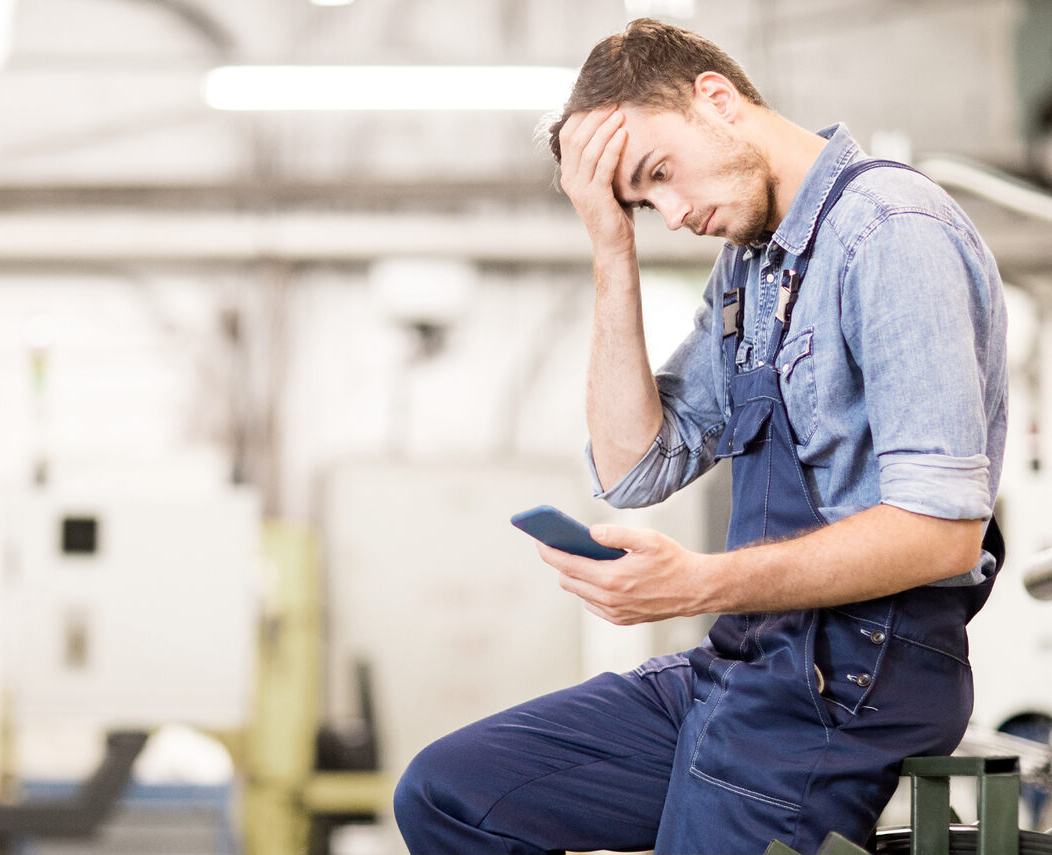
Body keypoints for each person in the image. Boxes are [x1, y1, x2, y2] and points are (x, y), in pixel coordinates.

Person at [392, 17, 1008, 855]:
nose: (673, 215)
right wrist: (611, 246)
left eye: (659, 176)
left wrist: (698, 584)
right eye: (644, 204)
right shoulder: (754, 267)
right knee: (450, 791)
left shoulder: (891, 231)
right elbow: (633, 464)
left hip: (851, 685)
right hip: (747, 661)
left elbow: (942, 532)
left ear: (715, 99)